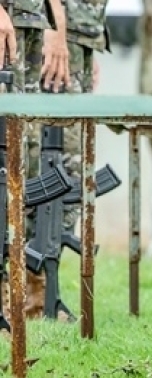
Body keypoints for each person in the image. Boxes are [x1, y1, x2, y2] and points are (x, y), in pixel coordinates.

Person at [21, 0, 110, 319]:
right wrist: (56, 30)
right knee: (41, 165)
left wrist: (86, 46)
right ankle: (31, 290)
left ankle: (44, 292)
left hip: (79, 34)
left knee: (70, 175)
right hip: (53, 26)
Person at [1, 0, 69, 323]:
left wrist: (54, 20)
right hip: (8, 16)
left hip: (29, 17)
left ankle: (24, 287)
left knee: (23, 155)